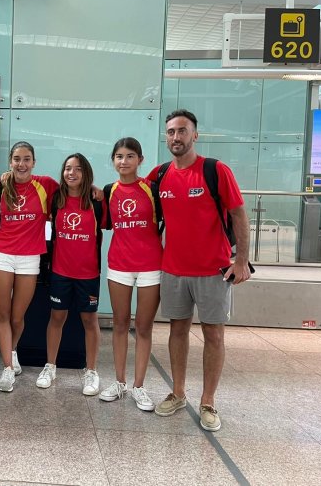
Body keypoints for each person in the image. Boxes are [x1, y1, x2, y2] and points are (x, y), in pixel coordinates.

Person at [147, 109, 251, 432]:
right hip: (174, 270)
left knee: (213, 335)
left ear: (195, 135)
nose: (175, 137)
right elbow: (133, 195)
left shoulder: (215, 170)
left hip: (213, 271)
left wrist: (242, 260)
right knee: (177, 331)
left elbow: (239, 216)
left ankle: (208, 401)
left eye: (182, 131)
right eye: (170, 132)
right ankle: (178, 393)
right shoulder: (159, 175)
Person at [0, 141, 59, 392]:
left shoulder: (46, 185)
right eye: (17, 159)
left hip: (30, 258)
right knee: (3, 314)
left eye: (26, 159)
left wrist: (93, 188)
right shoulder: (0, 185)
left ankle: (12, 350)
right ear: (10, 161)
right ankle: (7, 368)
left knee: (18, 317)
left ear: (34, 162)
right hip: (2, 255)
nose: (21, 164)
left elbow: (73, 191)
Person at [98, 137, 163, 411]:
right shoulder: (108, 190)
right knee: (120, 323)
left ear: (140, 160)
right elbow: (105, 223)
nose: (124, 162)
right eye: (119, 157)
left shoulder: (152, 189)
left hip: (150, 265)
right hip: (119, 266)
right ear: (113, 160)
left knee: (144, 327)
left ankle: (139, 386)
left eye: (130, 156)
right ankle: (120, 382)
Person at [36, 153, 104, 396]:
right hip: (60, 272)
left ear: (86, 173)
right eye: (67, 168)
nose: (71, 173)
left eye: (77, 169)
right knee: (56, 317)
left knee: (89, 321)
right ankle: (50, 366)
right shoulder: (56, 199)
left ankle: (92, 371)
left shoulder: (97, 202)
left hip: (88, 274)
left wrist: (96, 190)